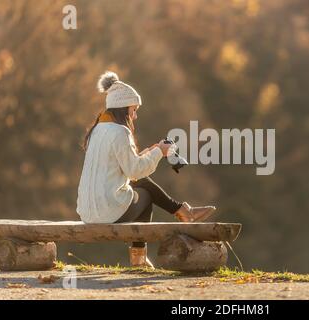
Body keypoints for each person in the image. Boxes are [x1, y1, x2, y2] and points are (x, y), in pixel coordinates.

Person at [76, 71, 216, 268]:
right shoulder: (120, 131)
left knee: (141, 186)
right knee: (146, 195)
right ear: (123, 108)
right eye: (134, 110)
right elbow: (134, 171)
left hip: (87, 211)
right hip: (105, 212)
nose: (135, 115)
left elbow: (125, 166)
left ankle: (183, 211)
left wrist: (152, 151)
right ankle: (140, 257)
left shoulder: (97, 130)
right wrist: (159, 152)